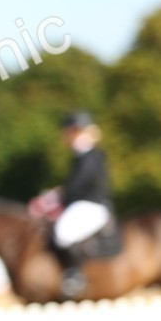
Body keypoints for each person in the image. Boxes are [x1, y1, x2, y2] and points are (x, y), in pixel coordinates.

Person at [50, 110, 113, 297]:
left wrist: (61, 198)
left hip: (91, 205)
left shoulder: (88, 154)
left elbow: (78, 186)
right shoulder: (82, 154)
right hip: (85, 204)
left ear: (74, 131)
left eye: (67, 132)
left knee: (62, 232)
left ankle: (75, 275)